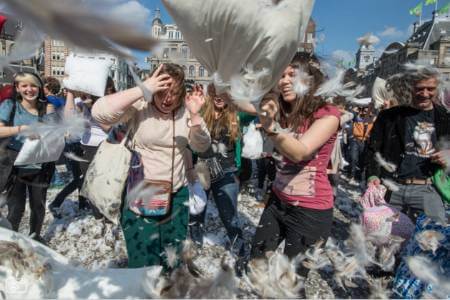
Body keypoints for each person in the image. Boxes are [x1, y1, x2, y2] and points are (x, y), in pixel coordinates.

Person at [92, 64, 210, 271]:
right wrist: (142, 89)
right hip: (143, 193)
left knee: (173, 258)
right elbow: (100, 114)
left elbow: (202, 145)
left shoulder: (186, 111)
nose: (167, 99)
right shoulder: (141, 106)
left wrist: (195, 115)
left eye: (173, 92)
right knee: (144, 261)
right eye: (161, 92)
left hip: (177, 195)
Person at [249, 53, 340, 276]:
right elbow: (240, 99)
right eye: (280, 76)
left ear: (310, 79)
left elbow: (299, 152)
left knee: (292, 281)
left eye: (292, 74)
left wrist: (269, 124)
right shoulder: (282, 110)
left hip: (311, 212)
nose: (284, 81)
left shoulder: (328, 114)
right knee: (257, 265)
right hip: (278, 202)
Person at [365, 66, 449, 224]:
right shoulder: (389, 116)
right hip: (392, 188)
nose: (425, 94)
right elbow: (373, 149)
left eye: (430, 89)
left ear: (437, 88)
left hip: (429, 188)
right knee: (386, 242)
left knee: (432, 240)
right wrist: (373, 175)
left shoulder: (446, 118)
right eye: (419, 89)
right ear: (410, 88)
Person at [0, 72, 58, 243]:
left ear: (39, 88)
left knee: (38, 206)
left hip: (39, 163)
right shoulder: (10, 105)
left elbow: (53, 132)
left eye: (33, 85)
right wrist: (22, 129)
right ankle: (11, 242)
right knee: (16, 208)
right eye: (24, 86)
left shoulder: (47, 107)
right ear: (17, 88)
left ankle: (35, 239)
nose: (29, 89)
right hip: (14, 163)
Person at [189, 83, 245, 256]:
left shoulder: (237, 114)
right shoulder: (201, 113)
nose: (219, 96)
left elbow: (256, 111)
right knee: (197, 212)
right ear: (210, 94)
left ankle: (239, 250)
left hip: (226, 172)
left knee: (229, 215)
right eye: (215, 92)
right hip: (202, 170)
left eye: (224, 93)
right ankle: (195, 244)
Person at [49, 78, 117, 215]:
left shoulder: (113, 101)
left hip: (108, 146)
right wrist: (71, 93)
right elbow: (69, 118)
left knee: (106, 182)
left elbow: (108, 128)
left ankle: (106, 211)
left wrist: (93, 108)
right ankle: (96, 213)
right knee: (87, 182)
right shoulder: (82, 102)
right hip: (87, 147)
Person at [348, 104, 375, 184]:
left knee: (362, 160)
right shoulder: (357, 116)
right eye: (364, 110)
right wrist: (358, 108)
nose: (366, 112)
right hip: (355, 140)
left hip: (365, 141)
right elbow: (351, 111)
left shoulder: (372, 119)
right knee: (353, 158)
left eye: (368, 111)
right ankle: (352, 176)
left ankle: (361, 178)